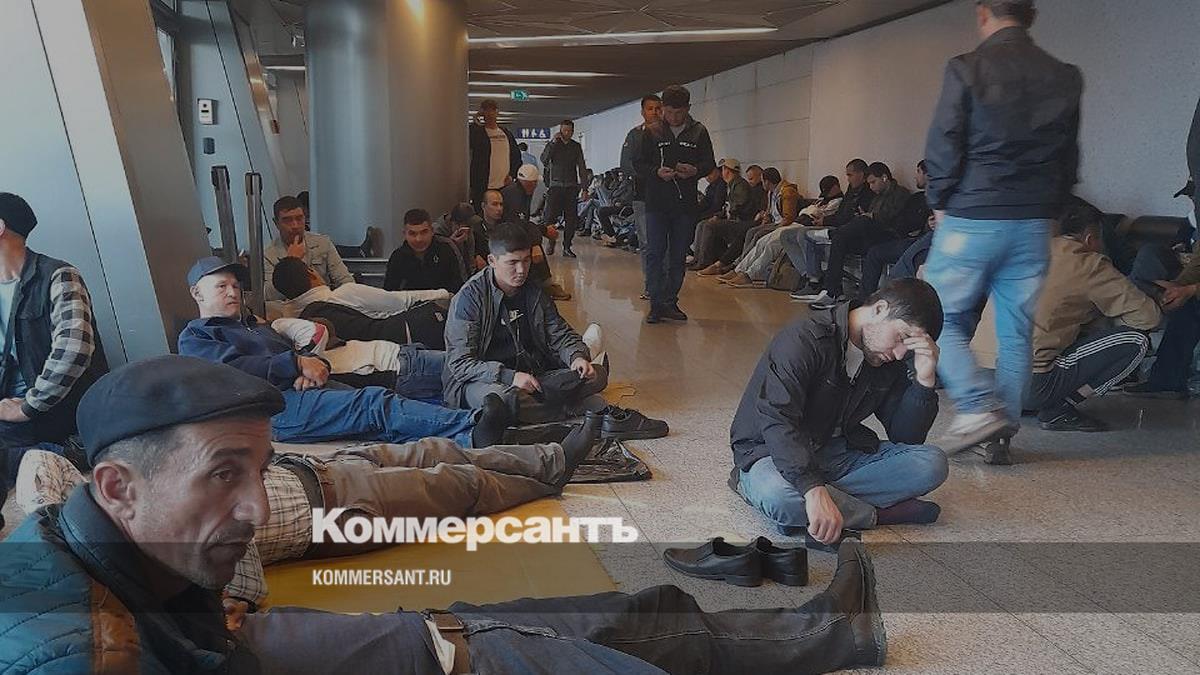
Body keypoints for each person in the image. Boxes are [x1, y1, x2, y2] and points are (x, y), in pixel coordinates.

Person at [0, 355, 888, 673]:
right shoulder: (78, 650)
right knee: (565, 643)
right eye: (223, 474)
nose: (249, 505)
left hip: (307, 635)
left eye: (255, 471)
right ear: (115, 485)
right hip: (324, 633)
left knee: (615, 615)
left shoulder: (102, 546)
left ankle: (830, 632)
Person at [15, 413, 601, 611]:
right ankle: (546, 478)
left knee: (436, 450)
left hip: (315, 467)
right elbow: (236, 584)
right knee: (455, 485)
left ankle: (549, 457)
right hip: (337, 511)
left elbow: (40, 462)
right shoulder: (166, 544)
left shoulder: (89, 505)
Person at [922, 0, 1083, 456]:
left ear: (982, 14)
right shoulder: (1064, 75)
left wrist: (940, 200)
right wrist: (1052, 211)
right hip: (1033, 222)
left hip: (973, 213)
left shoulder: (966, 68)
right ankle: (999, 439)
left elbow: (945, 140)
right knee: (1016, 332)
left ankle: (977, 407)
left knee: (937, 317)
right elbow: (1069, 154)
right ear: (1031, 16)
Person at [179, 256, 510, 446]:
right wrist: (294, 365)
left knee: (378, 417)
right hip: (274, 410)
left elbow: (301, 351)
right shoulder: (196, 337)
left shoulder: (255, 326)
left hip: (303, 390)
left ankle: (467, 437)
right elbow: (234, 371)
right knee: (374, 404)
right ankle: (472, 423)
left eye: (235, 286)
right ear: (197, 293)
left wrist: (308, 365)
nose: (233, 293)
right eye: (221, 286)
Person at [729, 279, 949, 542]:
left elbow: (906, 438)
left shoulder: (887, 359)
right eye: (902, 337)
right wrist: (812, 487)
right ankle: (876, 514)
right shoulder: (805, 338)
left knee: (932, 464)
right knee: (777, 495)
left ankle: (816, 511)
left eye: (910, 347)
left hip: (839, 454)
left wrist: (924, 381)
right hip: (771, 452)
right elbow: (779, 420)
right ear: (879, 309)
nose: (901, 354)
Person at [444, 224, 666, 437]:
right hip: (484, 381)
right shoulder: (470, 298)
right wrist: (509, 377)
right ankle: (579, 406)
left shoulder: (532, 289)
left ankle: (556, 404)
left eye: (526, 261)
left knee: (596, 375)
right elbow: (460, 363)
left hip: (534, 374)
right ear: (492, 261)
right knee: (501, 401)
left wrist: (576, 357)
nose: (521, 270)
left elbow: (558, 332)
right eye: (512, 262)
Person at [0, 193, 107, 524]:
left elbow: (74, 348)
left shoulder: (58, 275)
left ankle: (67, 452)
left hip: (54, 412)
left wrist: (28, 406)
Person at [1025, 202, 1160, 430]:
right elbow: (1149, 317)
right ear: (1090, 239)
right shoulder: (1088, 263)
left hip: (986, 382)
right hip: (1030, 387)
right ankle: (1058, 409)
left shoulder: (1029, 251)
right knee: (1136, 341)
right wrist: (1103, 314)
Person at [635, 84, 716, 324]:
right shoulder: (651, 132)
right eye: (669, 112)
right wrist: (656, 172)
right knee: (655, 253)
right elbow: (638, 164)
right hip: (656, 203)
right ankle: (655, 303)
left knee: (678, 255)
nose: (673, 117)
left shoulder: (698, 132)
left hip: (685, 205)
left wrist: (695, 170)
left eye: (679, 113)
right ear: (663, 109)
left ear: (687, 109)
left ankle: (670, 301)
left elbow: (709, 163)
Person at [272, 256, 452, 350]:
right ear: (311, 274)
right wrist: (444, 294)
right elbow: (401, 300)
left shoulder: (298, 322)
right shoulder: (344, 293)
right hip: (410, 331)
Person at [799, 162, 911, 309]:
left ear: (884, 178)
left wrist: (871, 216)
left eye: (873, 182)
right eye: (869, 183)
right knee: (840, 240)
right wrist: (867, 215)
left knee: (861, 222)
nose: (871, 187)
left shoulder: (901, 194)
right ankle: (832, 291)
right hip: (872, 234)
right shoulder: (877, 197)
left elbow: (892, 218)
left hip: (890, 234)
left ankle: (832, 233)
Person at [722, 174, 838, 288]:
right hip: (796, 223)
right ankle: (739, 270)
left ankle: (750, 275)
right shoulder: (821, 201)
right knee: (762, 241)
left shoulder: (837, 202)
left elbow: (815, 215)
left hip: (805, 225)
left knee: (772, 245)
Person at [784, 159, 875, 298]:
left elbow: (851, 218)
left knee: (804, 234)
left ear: (861, 174)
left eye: (850, 175)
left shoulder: (868, 193)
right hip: (836, 224)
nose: (847, 179)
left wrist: (825, 220)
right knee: (786, 235)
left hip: (845, 229)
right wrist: (824, 220)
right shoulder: (852, 190)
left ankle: (815, 281)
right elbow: (842, 213)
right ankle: (807, 274)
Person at [859, 160, 935, 299]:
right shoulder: (917, 198)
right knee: (871, 245)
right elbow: (903, 221)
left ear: (928, 174)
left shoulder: (937, 200)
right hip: (906, 236)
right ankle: (865, 300)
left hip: (923, 240)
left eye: (918, 171)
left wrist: (927, 226)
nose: (915, 176)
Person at [714, 167, 802, 284]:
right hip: (775, 223)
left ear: (767, 181)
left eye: (762, 181)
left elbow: (788, 217)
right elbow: (771, 211)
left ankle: (742, 268)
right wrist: (766, 216)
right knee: (752, 233)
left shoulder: (787, 192)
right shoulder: (771, 192)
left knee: (757, 235)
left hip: (783, 225)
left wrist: (775, 226)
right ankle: (739, 268)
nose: (761, 184)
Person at [263, 195, 355, 301]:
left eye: (299, 218)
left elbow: (346, 281)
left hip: (324, 301)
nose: (295, 225)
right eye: (287, 220)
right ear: (276, 223)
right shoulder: (269, 255)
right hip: (291, 306)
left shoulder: (322, 243)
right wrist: (291, 263)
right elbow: (269, 295)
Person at [620, 94, 663, 288]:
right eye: (650, 109)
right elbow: (626, 164)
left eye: (658, 109)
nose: (654, 112)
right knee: (646, 242)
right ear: (643, 112)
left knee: (665, 242)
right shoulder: (635, 135)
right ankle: (651, 283)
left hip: (667, 196)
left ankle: (665, 282)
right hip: (643, 195)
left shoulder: (669, 134)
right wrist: (650, 174)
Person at [694, 159, 759, 275]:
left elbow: (738, 204)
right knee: (702, 224)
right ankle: (697, 258)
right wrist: (718, 215)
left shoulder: (739, 184)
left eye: (723, 169)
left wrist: (722, 215)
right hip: (734, 219)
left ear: (727, 171)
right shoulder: (732, 184)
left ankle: (704, 262)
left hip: (741, 221)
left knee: (709, 226)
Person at [383, 209, 465, 293]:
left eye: (424, 232)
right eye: (412, 233)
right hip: (409, 301)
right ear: (405, 234)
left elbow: (458, 287)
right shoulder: (397, 257)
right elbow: (389, 293)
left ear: (432, 231)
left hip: (444, 300)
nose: (419, 239)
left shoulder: (445, 251)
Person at [540, 119, 589, 257]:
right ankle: (551, 240)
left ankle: (567, 246)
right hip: (555, 186)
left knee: (571, 219)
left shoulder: (576, 146)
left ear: (572, 132)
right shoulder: (554, 145)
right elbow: (544, 159)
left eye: (569, 131)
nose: (566, 133)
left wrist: (585, 188)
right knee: (550, 217)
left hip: (571, 186)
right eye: (564, 130)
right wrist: (552, 143)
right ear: (560, 131)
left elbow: (582, 167)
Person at [468, 98, 521, 209]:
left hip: (504, 185)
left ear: (497, 112)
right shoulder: (479, 133)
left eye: (492, 110)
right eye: (486, 110)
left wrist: (512, 175)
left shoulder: (506, 133)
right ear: (483, 113)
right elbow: (470, 139)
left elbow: (516, 156)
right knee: (482, 211)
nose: (490, 114)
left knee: (504, 212)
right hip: (483, 185)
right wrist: (475, 119)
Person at [435, 202, 481, 279]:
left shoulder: (468, 230)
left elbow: (470, 257)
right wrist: (452, 244)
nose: (469, 229)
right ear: (455, 224)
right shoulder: (436, 234)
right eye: (467, 225)